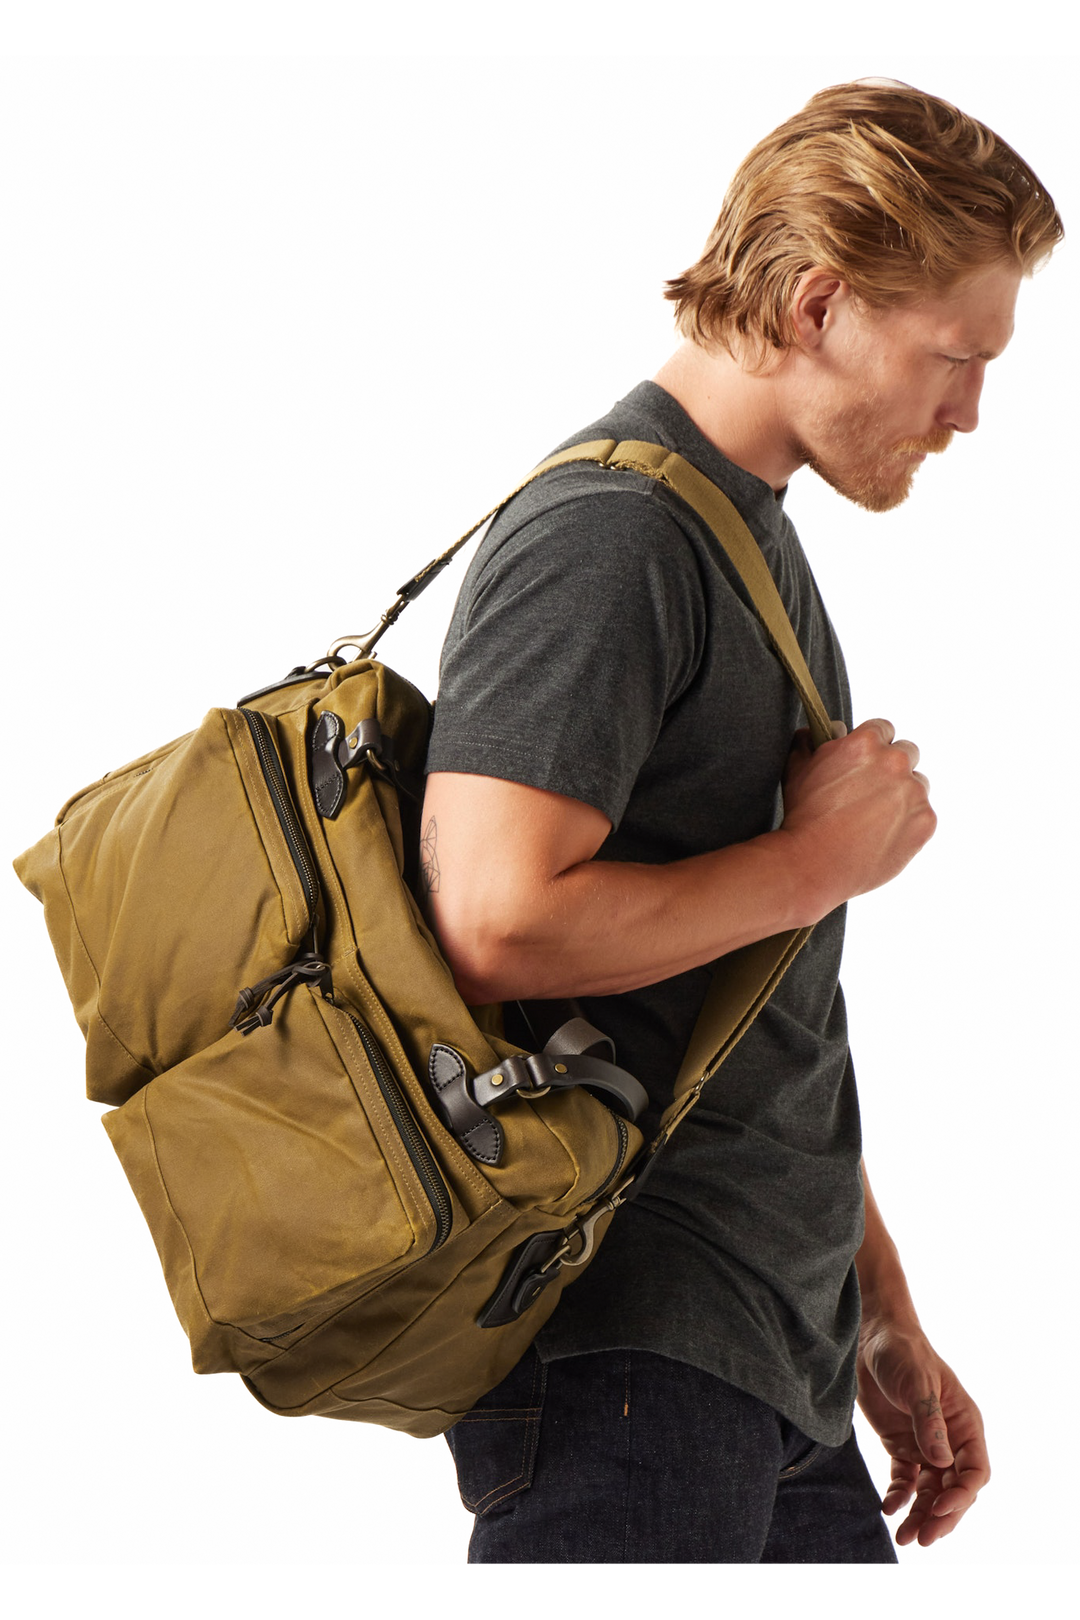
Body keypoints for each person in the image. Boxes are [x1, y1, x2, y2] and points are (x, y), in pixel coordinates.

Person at [420, 81, 1063, 1567]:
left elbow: (747, 1001)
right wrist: (815, 863)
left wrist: (877, 1312)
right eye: (955, 358)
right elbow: (494, 920)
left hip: (767, 1360)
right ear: (821, 304)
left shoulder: (738, 535)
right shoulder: (612, 536)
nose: (969, 413)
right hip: (629, 1353)